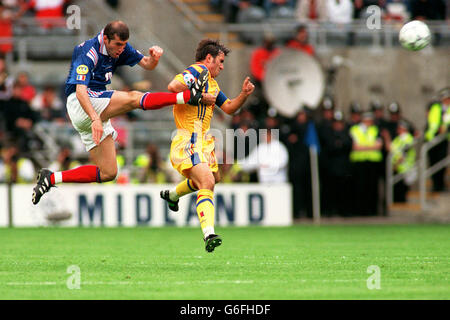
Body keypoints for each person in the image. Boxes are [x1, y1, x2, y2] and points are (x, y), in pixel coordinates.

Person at [31, 21, 207, 205]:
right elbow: (81, 91)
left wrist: (154, 58)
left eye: (124, 45)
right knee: (133, 98)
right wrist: (95, 119)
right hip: (80, 104)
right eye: (117, 45)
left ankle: (50, 178)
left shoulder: (120, 47)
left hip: (95, 107)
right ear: (105, 39)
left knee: (108, 173)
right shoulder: (88, 52)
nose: (121, 50)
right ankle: (187, 96)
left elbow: (146, 64)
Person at [160, 39, 255, 252]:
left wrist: (244, 95)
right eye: (220, 61)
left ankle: (173, 195)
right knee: (207, 181)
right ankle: (209, 234)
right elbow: (173, 87)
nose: (222, 66)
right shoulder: (196, 70)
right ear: (209, 58)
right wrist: (200, 97)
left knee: (214, 179)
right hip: (189, 139)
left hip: (203, 141)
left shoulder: (212, 83)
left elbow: (229, 108)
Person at [348, 112, 383, 216]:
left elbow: (379, 145)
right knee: (359, 187)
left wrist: (363, 147)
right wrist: (370, 146)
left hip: (373, 162)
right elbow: (354, 147)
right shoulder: (355, 130)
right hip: (359, 162)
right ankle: (359, 210)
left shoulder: (375, 129)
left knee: (372, 188)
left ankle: (372, 211)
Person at [321, 110, 353, 216]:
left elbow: (348, 146)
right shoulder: (327, 133)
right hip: (331, 168)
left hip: (344, 168)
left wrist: (339, 145)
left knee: (344, 191)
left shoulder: (347, 133)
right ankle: (330, 211)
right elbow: (329, 147)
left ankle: (343, 211)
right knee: (330, 191)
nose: (338, 125)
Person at [424, 88, 450, 192]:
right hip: (431, 139)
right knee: (433, 163)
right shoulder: (435, 107)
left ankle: (440, 185)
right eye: (445, 99)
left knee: (441, 163)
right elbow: (431, 123)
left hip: (443, 140)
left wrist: (445, 129)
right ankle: (435, 185)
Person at [388, 120, 417, 202]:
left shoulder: (407, 138)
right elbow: (391, 149)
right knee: (397, 191)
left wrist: (396, 164)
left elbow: (404, 153)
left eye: (399, 128)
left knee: (402, 191)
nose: (397, 129)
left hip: (404, 168)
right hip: (399, 168)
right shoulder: (398, 139)